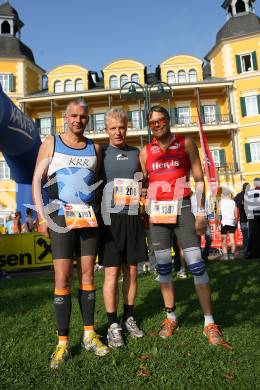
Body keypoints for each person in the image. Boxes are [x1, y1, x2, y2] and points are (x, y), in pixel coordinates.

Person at [139, 105, 229, 347]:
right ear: (149, 126)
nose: (158, 125)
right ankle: (171, 317)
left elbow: (199, 179)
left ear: (169, 120)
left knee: (197, 265)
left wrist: (201, 213)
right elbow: (143, 182)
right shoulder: (146, 152)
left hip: (185, 210)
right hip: (158, 215)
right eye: (153, 122)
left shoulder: (186, 143)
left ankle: (209, 321)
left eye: (161, 120)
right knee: (164, 269)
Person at [32, 98, 109, 370]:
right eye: (74, 115)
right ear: (66, 117)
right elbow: (36, 181)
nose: (78, 120)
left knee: (87, 275)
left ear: (88, 119)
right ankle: (63, 342)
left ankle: (89, 334)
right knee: (62, 278)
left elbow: (94, 184)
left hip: (86, 219)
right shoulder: (51, 143)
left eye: (83, 117)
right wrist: (43, 216)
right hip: (59, 218)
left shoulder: (94, 148)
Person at [99, 108, 147, 348]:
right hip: (110, 221)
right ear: (106, 129)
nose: (118, 132)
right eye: (113, 128)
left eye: (122, 127)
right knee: (111, 273)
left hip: (132, 218)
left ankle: (129, 317)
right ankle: (112, 324)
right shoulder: (101, 152)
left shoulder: (136, 153)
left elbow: (143, 181)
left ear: (127, 128)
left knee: (132, 271)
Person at [216, 188, 238, 260]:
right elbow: (236, 213)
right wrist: (236, 221)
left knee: (224, 239)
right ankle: (232, 255)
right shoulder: (233, 202)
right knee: (232, 239)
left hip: (224, 222)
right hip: (232, 222)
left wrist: (216, 222)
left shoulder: (221, 202)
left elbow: (217, 212)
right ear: (229, 194)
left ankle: (225, 256)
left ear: (223, 195)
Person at [245, 178, 260, 259]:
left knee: (252, 235)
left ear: (254, 184)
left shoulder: (249, 193)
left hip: (251, 217)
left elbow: (246, 206)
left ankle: (252, 252)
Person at [234, 183, 249, 257]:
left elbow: (235, 208)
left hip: (243, 219)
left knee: (245, 236)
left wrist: (236, 219)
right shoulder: (250, 195)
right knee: (252, 235)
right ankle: (251, 251)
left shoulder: (238, 196)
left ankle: (245, 252)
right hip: (250, 219)